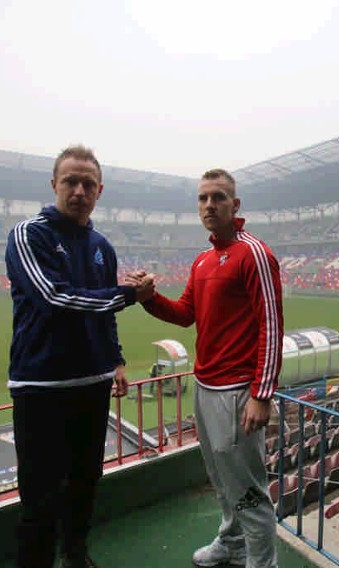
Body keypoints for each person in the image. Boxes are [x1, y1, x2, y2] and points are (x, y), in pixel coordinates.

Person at [4, 145, 154, 568]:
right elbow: (55, 298)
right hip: (41, 387)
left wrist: (117, 360)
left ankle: (75, 555)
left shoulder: (102, 246)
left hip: (92, 385)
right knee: (40, 496)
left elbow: (103, 314)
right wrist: (128, 294)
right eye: (71, 181)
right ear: (54, 184)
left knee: (87, 481)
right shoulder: (29, 234)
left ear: (99, 191)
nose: (79, 190)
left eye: (89, 183)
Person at [128, 168, 283, 568]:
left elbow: (272, 324)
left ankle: (262, 563)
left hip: (237, 393)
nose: (209, 204)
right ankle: (232, 543)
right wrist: (149, 298)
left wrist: (261, 395)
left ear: (235, 205)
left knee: (249, 490)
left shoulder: (254, 254)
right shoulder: (203, 261)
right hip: (205, 388)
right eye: (203, 198)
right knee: (222, 480)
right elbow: (185, 315)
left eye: (218, 197)